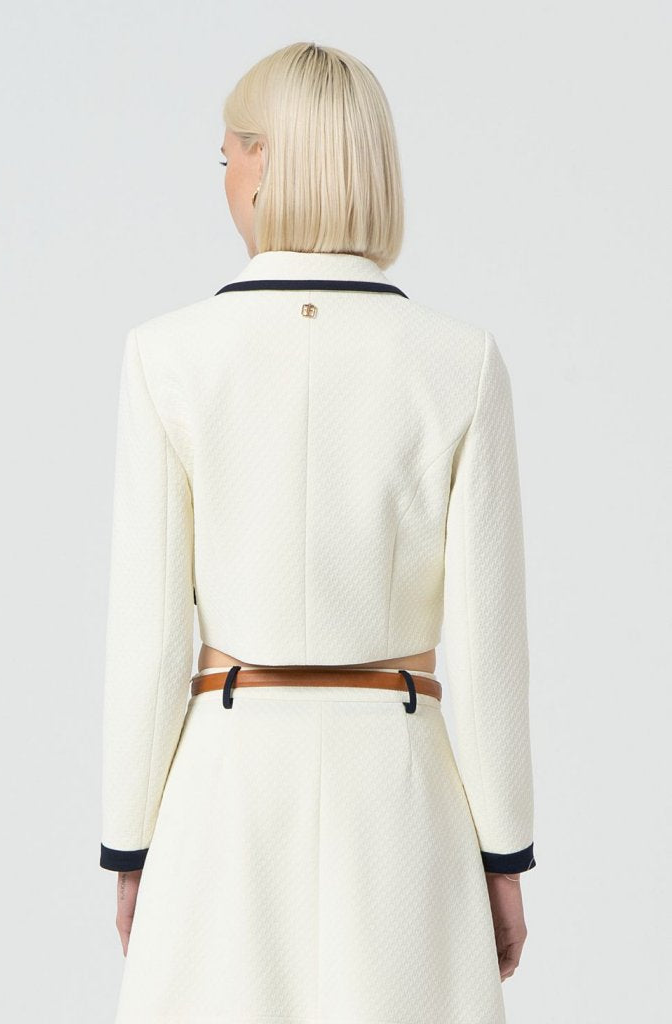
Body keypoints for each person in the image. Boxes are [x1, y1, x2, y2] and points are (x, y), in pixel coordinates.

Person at [99, 40, 537, 1024]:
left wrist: (130, 844)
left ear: (263, 161)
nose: (224, 177)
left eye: (225, 155)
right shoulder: (458, 362)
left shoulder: (168, 357)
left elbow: (149, 638)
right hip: (402, 784)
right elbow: (489, 647)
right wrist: (503, 853)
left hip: (225, 784)